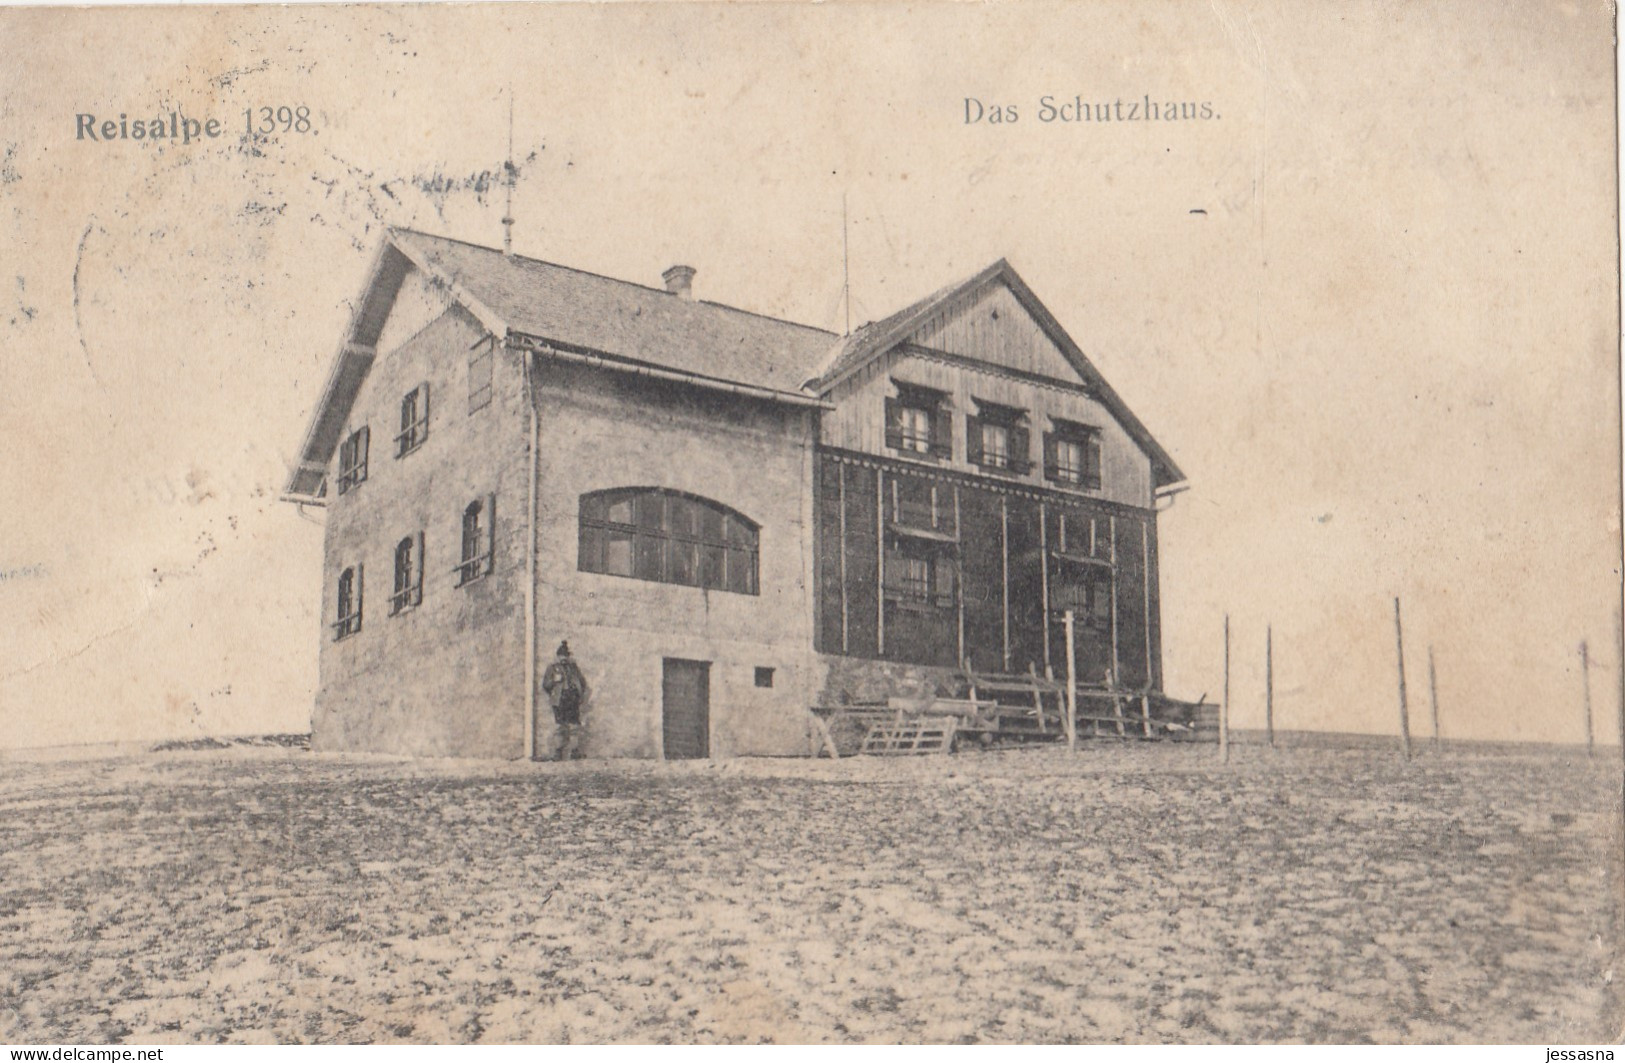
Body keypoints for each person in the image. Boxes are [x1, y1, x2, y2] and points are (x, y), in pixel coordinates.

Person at [541, 641, 588, 761]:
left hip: (572, 699)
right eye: (562, 655)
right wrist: (554, 682)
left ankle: (574, 751)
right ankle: (558, 752)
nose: (564, 658)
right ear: (557, 656)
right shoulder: (552, 668)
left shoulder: (573, 668)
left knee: (574, 726)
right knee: (560, 726)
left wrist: (578, 694)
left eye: (566, 655)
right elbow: (546, 685)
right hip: (560, 700)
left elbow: (582, 682)